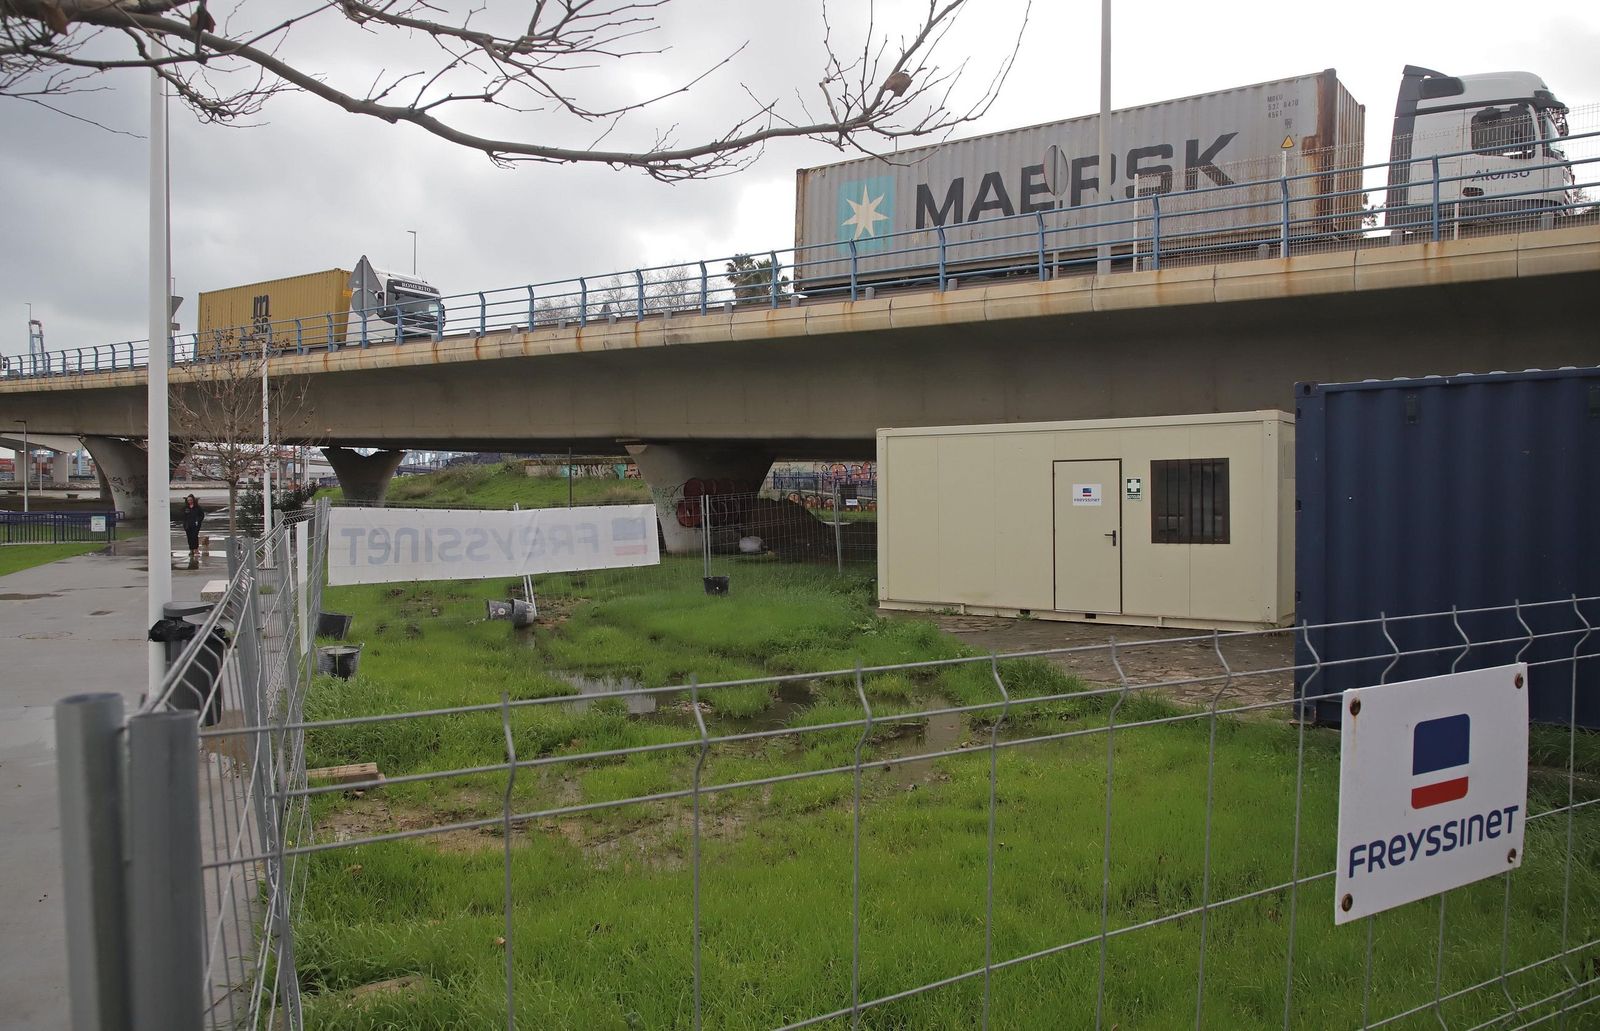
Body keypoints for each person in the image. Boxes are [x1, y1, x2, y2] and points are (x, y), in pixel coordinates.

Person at [181, 494, 205, 563]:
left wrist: (198, 520)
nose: (190, 501)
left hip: (195, 525)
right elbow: (183, 516)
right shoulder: (186, 508)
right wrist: (184, 524)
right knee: (189, 537)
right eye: (188, 500)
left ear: (193, 500)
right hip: (188, 525)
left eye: (191, 500)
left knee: (194, 536)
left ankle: (196, 549)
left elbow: (202, 515)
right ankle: (191, 550)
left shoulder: (197, 507)